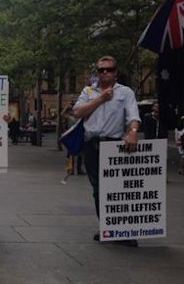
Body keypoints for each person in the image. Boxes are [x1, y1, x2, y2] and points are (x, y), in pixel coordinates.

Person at [73, 55, 140, 247]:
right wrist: (100, 99)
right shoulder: (88, 91)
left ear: (116, 73)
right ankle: (107, 227)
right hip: (91, 145)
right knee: (98, 189)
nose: (104, 73)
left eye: (108, 69)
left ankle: (124, 230)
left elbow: (133, 115)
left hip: (113, 146)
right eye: (101, 70)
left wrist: (133, 132)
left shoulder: (125, 93)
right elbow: (77, 112)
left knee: (118, 190)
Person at [60, 101, 85, 184]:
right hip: (72, 135)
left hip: (78, 135)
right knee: (71, 153)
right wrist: (67, 107)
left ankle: (78, 169)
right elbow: (62, 113)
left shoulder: (80, 117)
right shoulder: (72, 117)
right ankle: (71, 169)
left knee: (80, 153)